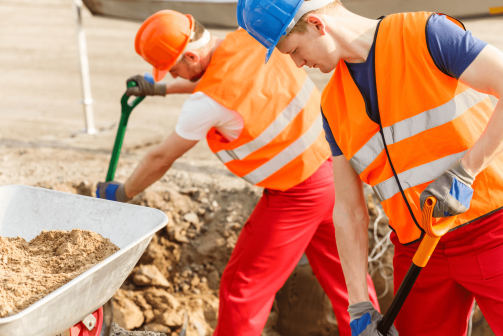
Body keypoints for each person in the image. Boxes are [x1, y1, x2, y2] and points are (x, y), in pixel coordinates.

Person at [96, 10, 379, 336]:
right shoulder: (250, 39)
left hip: (298, 191)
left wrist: (122, 193)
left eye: (173, 68)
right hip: (336, 171)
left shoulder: (206, 103)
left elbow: (160, 158)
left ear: (190, 55)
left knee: (242, 286)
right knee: (350, 279)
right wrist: (161, 89)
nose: (173, 74)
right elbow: (223, 75)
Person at [237, 1, 503, 335]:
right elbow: (348, 211)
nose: (298, 63)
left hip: (492, 230)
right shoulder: (333, 104)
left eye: (294, 50)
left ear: (318, 25)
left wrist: (466, 171)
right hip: (419, 252)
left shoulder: (425, 33)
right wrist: (359, 304)